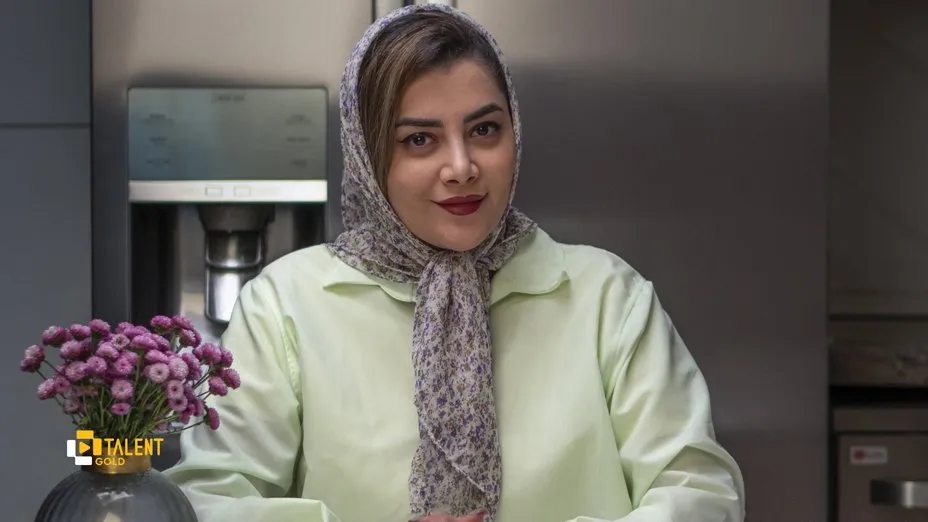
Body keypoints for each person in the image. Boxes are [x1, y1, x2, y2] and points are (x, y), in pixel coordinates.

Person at [163, 4, 746, 522]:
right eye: (420, 140)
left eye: (484, 130)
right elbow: (208, 500)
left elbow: (700, 492)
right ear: (368, 153)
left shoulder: (607, 297)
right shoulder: (287, 305)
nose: (462, 167)